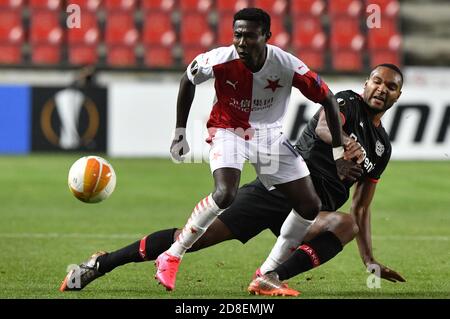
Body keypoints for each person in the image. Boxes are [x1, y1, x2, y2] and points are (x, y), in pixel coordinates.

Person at [59, 64, 405, 296]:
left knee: (346, 224)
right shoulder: (345, 101)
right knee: (190, 240)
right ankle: (101, 264)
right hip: (279, 188)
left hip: (310, 214)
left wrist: (369, 260)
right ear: (366, 84)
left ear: (397, 96)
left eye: (390, 86)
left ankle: (270, 278)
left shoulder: (382, 148)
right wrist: (343, 146)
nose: (381, 89)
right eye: (377, 81)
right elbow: (324, 127)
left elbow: (361, 207)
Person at [151, 7, 356, 291]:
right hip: (229, 131)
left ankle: (267, 274)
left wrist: (337, 155)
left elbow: (329, 100)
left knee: (309, 205)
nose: (242, 42)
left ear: (266, 36)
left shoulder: (287, 65)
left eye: (250, 36)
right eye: (237, 35)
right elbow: (188, 79)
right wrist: (180, 132)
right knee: (225, 193)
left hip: (270, 137)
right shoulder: (219, 59)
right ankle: (172, 255)